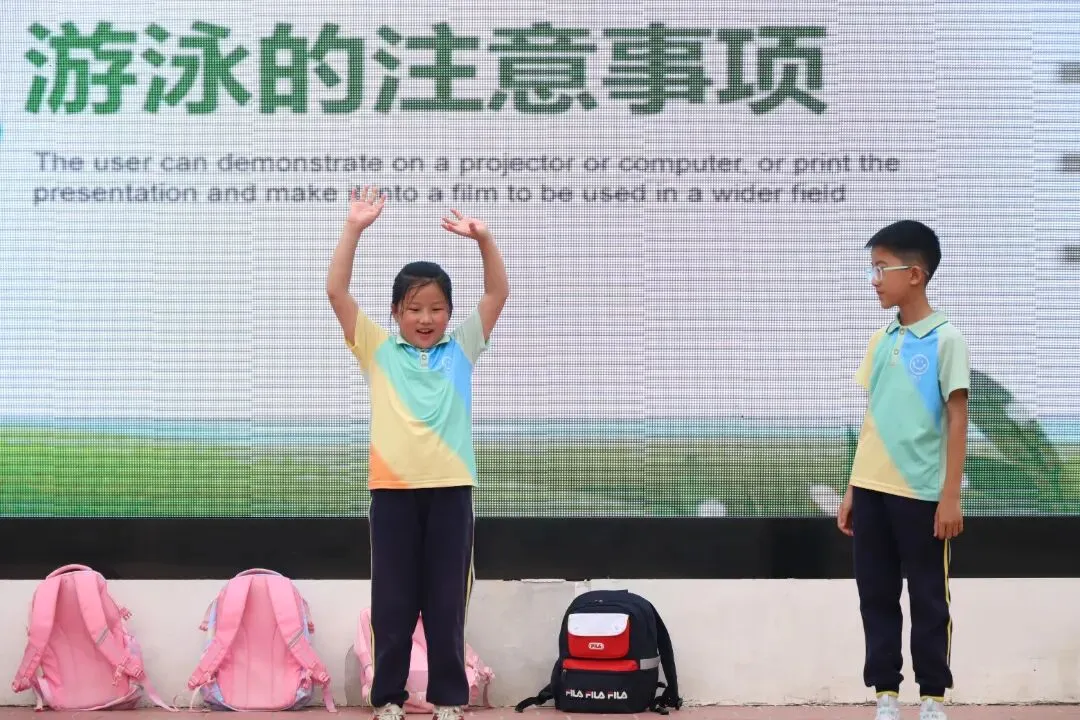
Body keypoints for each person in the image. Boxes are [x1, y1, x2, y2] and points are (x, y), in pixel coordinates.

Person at [326, 185, 509, 720]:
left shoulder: (462, 349)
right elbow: (336, 292)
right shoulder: (379, 350)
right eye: (414, 309)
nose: (425, 319)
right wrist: (353, 228)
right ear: (396, 312)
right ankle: (388, 698)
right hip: (393, 494)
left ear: (449, 313)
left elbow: (497, 293)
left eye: (436, 309)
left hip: (451, 492)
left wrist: (483, 239)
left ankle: (450, 699)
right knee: (394, 603)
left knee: (446, 602)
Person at [837, 220, 970, 720]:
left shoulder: (946, 340)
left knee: (929, 599)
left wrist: (950, 496)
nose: (874, 280)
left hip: (921, 496)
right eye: (872, 269)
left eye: (881, 269)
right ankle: (886, 694)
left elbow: (957, 420)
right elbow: (873, 417)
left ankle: (932, 696)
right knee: (876, 595)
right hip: (871, 489)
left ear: (915, 274)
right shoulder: (881, 339)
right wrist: (853, 487)